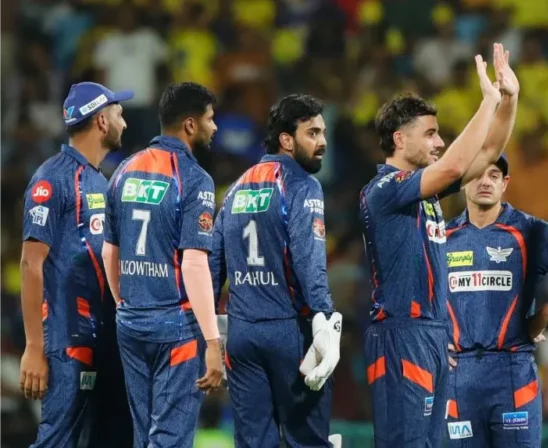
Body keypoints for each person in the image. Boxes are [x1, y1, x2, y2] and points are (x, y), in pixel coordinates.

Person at [359, 43, 519, 447]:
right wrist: (487, 102)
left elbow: (488, 152)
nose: (439, 141)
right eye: (430, 133)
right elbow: (454, 165)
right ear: (399, 139)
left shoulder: (425, 194)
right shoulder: (384, 189)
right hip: (400, 334)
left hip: (432, 333)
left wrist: (508, 100)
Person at [443, 154, 548, 446]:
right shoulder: (443, 238)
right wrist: (436, 342)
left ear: (505, 183)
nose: (485, 182)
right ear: (463, 182)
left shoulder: (530, 231)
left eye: (494, 175)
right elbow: (420, 294)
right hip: (459, 376)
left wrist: (542, 318)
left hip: (512, 371)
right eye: (477, 174)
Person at [209, 94, 342, 448]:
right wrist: (324, 317)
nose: (323, 142)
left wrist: (210, 330)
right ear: (286, 140)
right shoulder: (302, 185)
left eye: (323, 132)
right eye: (312, 133)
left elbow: (212, 265)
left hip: (242, 337)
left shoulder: (235, 189)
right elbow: (309, 259)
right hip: (290, 332)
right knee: (308, 441)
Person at [102, 82, 224, 448]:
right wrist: (213, 341)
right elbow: (194, 264)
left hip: (130, 323)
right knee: (169, 438)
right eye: (210, 119)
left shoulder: (123, 170)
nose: (215, 127)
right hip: (176, 326)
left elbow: (109, 252)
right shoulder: (195, 179)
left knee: (144, 437)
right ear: (190, 125)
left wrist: (124, 305)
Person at [20, 82, 134, 447]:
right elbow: (30, 264)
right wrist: (34, 347)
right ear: (101, 120)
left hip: (101, 339)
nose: (124, 123)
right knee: (57, 440)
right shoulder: (52, 178)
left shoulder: (100, 181)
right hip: (66, 339)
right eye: (119, 114)